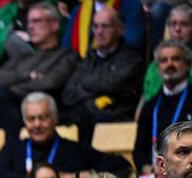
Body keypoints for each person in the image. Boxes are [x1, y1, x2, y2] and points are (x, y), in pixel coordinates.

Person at [0, 92, 131, 178]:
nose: (37, 124)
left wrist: (86, 175)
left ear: (55, 119)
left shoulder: (74, 150)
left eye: (43, 118)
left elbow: (121, 164)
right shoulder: (13, 148)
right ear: (24, 122)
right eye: (31, 119)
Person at [0, 3, 78, 137]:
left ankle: (16, 149)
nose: (30, 26)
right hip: (12, 107)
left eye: (37, 21)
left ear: (55, 25)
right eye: (29, 22)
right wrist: (27, 75)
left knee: (2, 96)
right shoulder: (24, 57)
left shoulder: (67, 55)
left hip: (45, 112)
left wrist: (12, 85)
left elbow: (49, 83)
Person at [60, 7, 144, 144]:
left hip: (115, 117)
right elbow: (68, 94)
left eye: (105, 26)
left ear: (120, 29)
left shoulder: (132, 59)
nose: (99, 32)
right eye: (96, 26)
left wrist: (84, 85)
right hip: (85, 114)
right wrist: (91, 100)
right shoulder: (89, 58)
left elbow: (112, 84)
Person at [135, 41, 192, 176]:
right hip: (156, 176)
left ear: (187, 64)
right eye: (163, 60)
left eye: (176, 59)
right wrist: (147, 169)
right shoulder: (150, 105)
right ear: (158, 68)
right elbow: (139, 150)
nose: (169, 64)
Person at [143, 5, 192, 103]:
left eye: (184, 24)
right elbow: (148, 97)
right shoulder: (156, 64)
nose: (178, 29)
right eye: (173, 24)